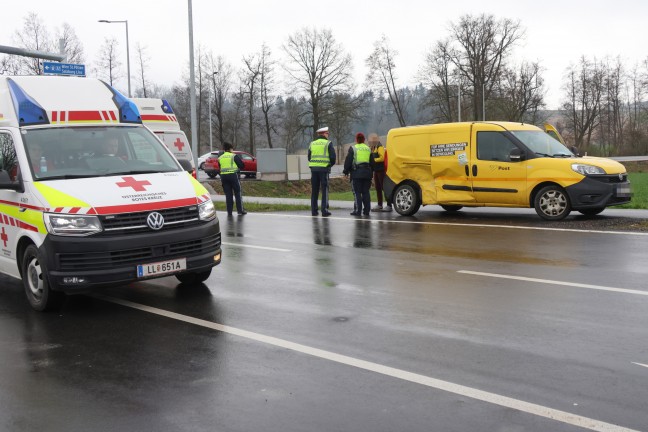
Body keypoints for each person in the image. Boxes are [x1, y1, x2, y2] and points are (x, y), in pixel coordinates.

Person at [344, 132, 374, 216]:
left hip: (357, 173)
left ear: (356, 139)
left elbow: (348, 161)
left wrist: (346, 170)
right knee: (365, 192)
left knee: (357, 192)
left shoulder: (353, 148)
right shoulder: (368, 149)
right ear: (364, 140)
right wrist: (372, 172)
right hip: (367, 173)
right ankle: (367, 211)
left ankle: (358, 211)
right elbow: (372, 163)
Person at [308, 126, 336, 217]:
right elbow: (333, 158)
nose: (328, 135)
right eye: (327, 133)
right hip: (324, 170)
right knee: (325, 190)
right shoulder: (328, 143)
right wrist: (328, 165)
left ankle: (314, 210)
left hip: (314, 170)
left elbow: (309, 157)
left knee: (314, 190)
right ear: (323, 134)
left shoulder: (312, 143)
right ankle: (324, 210)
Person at [218, 142, 247, 216]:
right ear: (231, 149)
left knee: (228, 194)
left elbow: (220, 167)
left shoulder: (220, 158)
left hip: (224, 177)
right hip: (233, 176)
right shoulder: (233, 156)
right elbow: (242, 165)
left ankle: (229, 212)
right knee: (237, 193)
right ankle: (240, 211)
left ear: (224, 149)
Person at [368, 133, 391, 212]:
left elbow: (382, 158)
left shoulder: (379, 146)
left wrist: (374, 160)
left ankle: (389, 205)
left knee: (384, 187)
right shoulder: (373, 148)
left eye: (373, 139)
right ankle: (380, 204)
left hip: (381, 170)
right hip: (376, 170)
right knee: (377, 188)